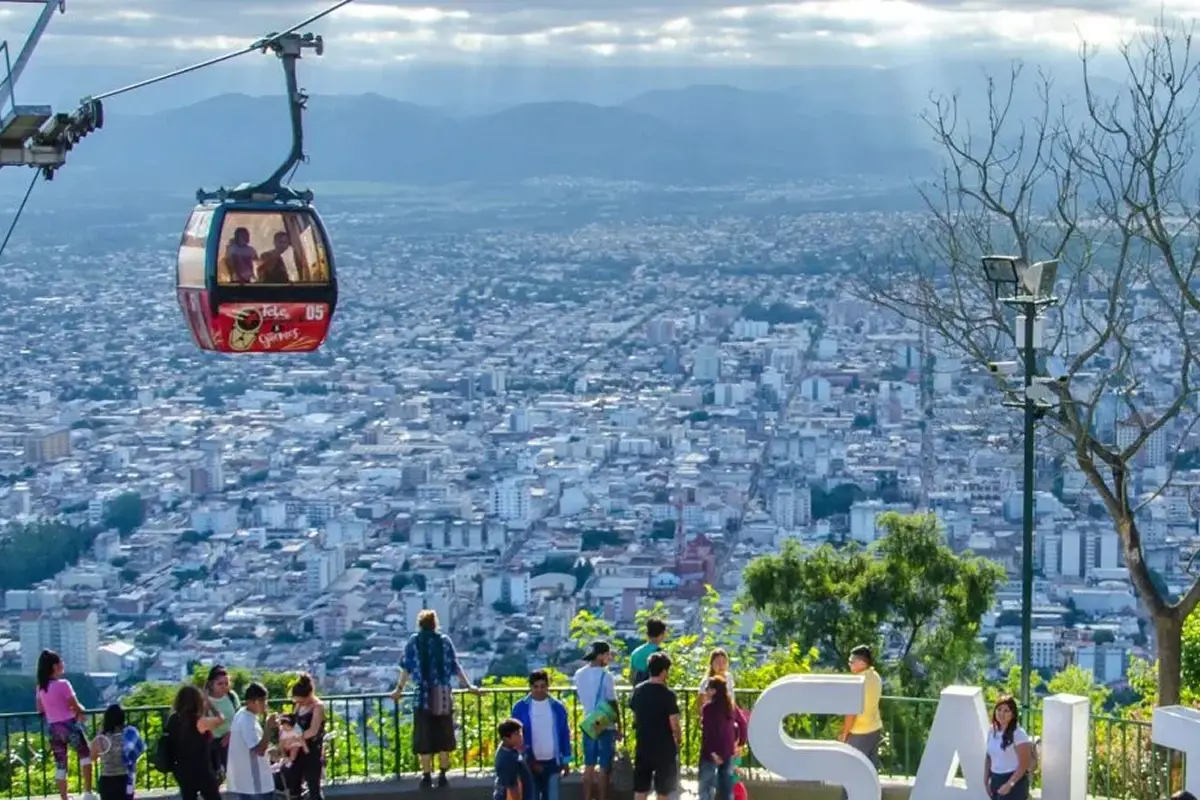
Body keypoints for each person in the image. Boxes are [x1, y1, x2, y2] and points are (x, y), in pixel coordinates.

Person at [392, 609, 479, 789]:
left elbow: (406, 668)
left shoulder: (414, 641)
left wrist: (399, 690)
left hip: (423, 696)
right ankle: (442, 775)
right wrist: (469, 686)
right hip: (443, 696)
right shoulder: (445, 641)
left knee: (424, 737)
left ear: (419, 624)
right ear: (435, 624)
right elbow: (456, 666)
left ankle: (426, 776)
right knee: (444, 737)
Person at [35, 649, 95, 800]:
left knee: (60, 763)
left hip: (53, 728)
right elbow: (75, 706)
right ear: (55, 666)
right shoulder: (63, 684)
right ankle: (88, 793)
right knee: (85, 755)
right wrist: (81, 710)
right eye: (61, 661)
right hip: (69, 725)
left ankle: (64, 797)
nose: (63, 664)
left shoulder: (41, 687)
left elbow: (40, 709)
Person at [510, 671, 571, 800]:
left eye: (543, 686)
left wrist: (566, 760)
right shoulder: (520, 708)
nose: (539, 690)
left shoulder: (558, 707)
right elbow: (514, 736)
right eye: (536, 687)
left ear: (548, 686)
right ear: (530, 687)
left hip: (553, 763)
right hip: (529, 763)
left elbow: (564, 734)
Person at [629, 652, 681, 800]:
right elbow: (674, 722)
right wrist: (678, 737)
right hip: (664, 747)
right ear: (664, 671)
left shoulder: (638, 690)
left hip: (643, 744)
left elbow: (635, 714)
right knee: (663, 790)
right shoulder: (668, 694)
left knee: (641, 788)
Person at [573, 642, 620, 800]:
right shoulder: (606, 676)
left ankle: (586, 797)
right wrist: (619, 725)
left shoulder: (579, 674)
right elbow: (612, 701)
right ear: (600, 655)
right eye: (607, 654)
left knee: (589, 765)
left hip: (589, 722)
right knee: (604, 767)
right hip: (604, 722)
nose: (609, 657)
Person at [165, 684, 224, 800]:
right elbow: (220, 719)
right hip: (202, 770)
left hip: (182, 769)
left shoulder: (172, 719)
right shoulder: (199, 721)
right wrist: (209, 704)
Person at [225, 682, 275, 800]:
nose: (266, 705)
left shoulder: (242, 714)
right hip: (255, 783)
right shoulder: (247, 721)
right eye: (264, 701)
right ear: (256, 701)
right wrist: (268, 727)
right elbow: (259, 750)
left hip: (245, 782)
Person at [698, 676, 745, 800]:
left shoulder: (708, 708)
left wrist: (712, 752)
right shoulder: (731, 706)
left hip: (710, 752)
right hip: (727, 750)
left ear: (714, 691)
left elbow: (708, 733)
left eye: (707, 689)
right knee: (726, 787)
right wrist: (740, 744)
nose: (705, 691)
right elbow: (742, 723)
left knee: (705, 787)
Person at [838, 645, 882, 769]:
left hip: (859, 732)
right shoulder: (875, 676)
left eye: (851, 662)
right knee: (870, 769)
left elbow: (851, 713)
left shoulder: (857, 682)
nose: (849, 664)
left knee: (852, 770)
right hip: (875, 728)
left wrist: (844, 734)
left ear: (862, 663)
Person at [89, 704, 144, 800]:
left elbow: (92, 757)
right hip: (125, 778)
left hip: (107, 780)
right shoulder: (129, 735)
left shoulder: (101, 738)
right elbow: (138, 751)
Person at [283, 673, 325, 800]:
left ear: (309, 695)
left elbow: (313, 730)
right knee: (294, 787)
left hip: (311, 750)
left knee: (314, 788)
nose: (299, 702)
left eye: (301, 700)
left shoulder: (318, 706)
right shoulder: (299, 705)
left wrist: (296, 737)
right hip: (297, 749)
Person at [986, 696, 1033, 800]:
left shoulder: (1018, 733)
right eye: (999, 709)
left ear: (1012, 714)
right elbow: (989, 758)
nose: (1001, 713)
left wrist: (1010, 784)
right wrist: (986, 781)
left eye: (1006, 711)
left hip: (1014, 782)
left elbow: (1024, 764)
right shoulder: (992, 731)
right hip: (996, 779)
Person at [204, 665, 239, 782]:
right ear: (211, 684)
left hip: (230, 741)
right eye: (220, 684)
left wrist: (230, 734)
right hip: (210, 742)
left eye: (226, 683)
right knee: (212, 778)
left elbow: (239, 718)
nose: (224, 687)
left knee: (233, 775)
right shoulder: (204, 700)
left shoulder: (231, 696)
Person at [493, 719, 532, 800]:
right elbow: (512, 788)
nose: (521, 736)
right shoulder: (507, 758)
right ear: (506, 738)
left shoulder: (510, 749)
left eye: (521, 733)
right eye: (517, 734)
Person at [629, 618, 668, 689]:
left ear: (647, 633)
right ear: (662, 633)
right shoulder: (660, 654)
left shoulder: (635, 652)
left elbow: (631, 677)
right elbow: (662, 677)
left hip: (638, 692)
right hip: (654, 691)